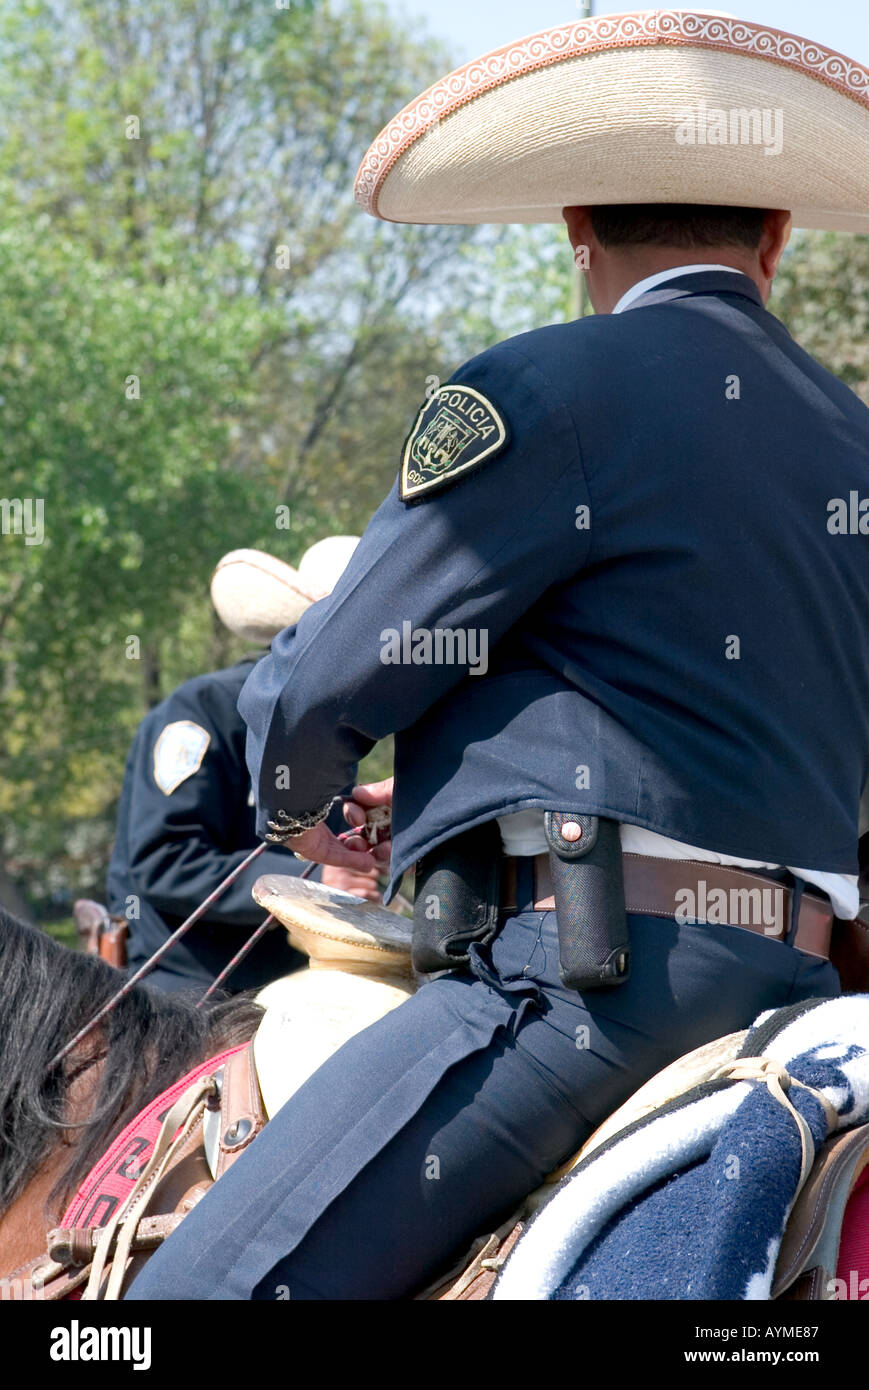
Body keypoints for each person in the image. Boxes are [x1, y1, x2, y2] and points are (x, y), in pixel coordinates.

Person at [127, 11, 869, 1298]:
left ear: (575, 225)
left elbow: (319, 683)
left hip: (584, 989)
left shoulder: (545, 390)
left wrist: (301, 808)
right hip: (797, 970)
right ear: (775, 235)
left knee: (174, 1306)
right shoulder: (853, 441)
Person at [107, 537, 380, 994]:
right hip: (188, 982)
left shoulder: (329, 728)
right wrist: (314, 879)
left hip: (297, 976)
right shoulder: (198, 712)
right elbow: (165, 861)